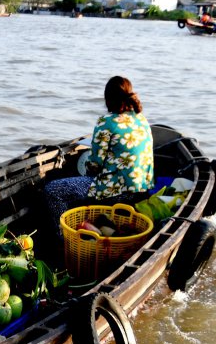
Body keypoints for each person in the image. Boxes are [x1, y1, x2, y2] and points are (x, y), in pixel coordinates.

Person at [43, 76, 154, 239]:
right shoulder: (142, 121)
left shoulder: (106, 122)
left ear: (108, 99)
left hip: (117, 191)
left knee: (53, 190)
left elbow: (95, 164)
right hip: (141, 189)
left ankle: (63, 240)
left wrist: (91, 168)